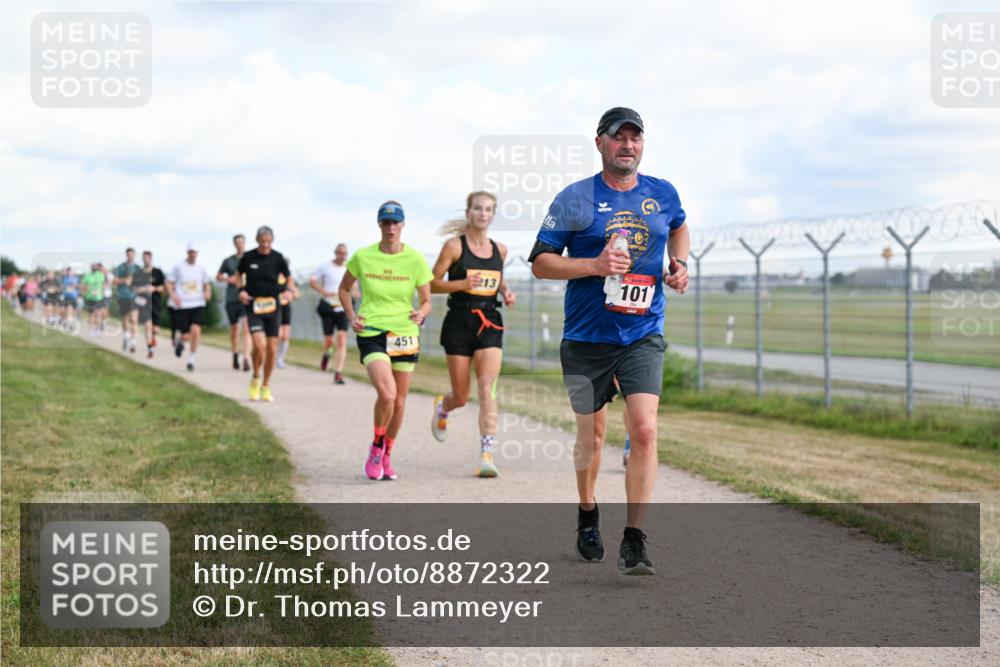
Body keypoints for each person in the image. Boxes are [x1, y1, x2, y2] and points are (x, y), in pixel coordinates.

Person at [529, 107, 689, 575]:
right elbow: (540, 263)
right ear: (599, 143)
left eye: (635, 138)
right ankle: (586, 512)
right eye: (618, 138)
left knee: (644, 430)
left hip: (642, 332)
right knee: (593, 437)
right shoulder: (575, 199)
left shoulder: (662, 194)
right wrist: (594, 266)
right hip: (586, 337)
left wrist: (679, 265)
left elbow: (678, 225)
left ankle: (635, 538)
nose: (628, 145)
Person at [339, 201, 432, 481]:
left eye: (395, 222)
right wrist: (352, 314)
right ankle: (376, 446)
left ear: (403, 225)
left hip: (404, 333)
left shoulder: (415, 259)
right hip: (373, 331)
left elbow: (427, 299)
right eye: (386, 222)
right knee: (388, 394)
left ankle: (388, 453)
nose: (391, 227)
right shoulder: (363, 257)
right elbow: (344, 290)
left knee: (400, 402)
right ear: (379, 224)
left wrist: (422, 312)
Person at [429, 192, 516, 478]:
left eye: (488, 209)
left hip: (489, 320)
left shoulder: (499, 249)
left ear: (493, 215)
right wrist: (463, 283)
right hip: (458, 322)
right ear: (468, 213)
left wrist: (505, 291)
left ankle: (487, 454)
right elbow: (432, 284)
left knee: (487, 388)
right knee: (463, 396)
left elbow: (497, 276)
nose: (483, 213)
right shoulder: (453, 247)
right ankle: (444, 407)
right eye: (478, 208)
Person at [238, 226, 294, 402]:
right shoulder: (248, 257)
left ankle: (266, 385)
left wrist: (289, 291)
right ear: (257, 240)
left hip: (273, 306)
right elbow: (239, 275)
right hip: (253, 304)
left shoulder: (278, 258)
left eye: (268, 242)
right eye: (262, 241)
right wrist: (241, 290)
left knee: (271, 348)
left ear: (272, 241)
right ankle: (255, 377)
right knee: (260, 345)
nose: (265, 245)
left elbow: (289, 277)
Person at [309, 243, 352, 384]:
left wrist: (354, 293)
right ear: (335, 253)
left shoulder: (350, 268)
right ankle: (327, 354)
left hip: (343, 307)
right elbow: (312, 281)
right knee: (329, 340)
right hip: (328, 305)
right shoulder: (325, 267)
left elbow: (355, 286)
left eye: (344, 254)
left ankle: (338, 372)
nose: (342, 256)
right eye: (340, 253)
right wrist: (323, 292)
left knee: (342, 338)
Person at [166, 243, 212, 372]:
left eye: (195, 252)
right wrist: (173, 295)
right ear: (187, 252)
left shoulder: (201, 268)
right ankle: (180, 341)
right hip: (183, 304)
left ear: (197, 253)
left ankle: (191, 359)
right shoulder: (178, 267)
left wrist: (208, 292)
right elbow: (169, 283)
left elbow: (206, 284)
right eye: (190, 252)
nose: (193, 254)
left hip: (197, 303)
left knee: (196, 330)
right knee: (186, 335)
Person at [217, 234, 253, 372]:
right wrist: (229, 279)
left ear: (245, 243)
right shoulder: (229, 261)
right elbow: (219, 276)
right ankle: (234, 353)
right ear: (234, 244)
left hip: (247, 297)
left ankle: (246, 358)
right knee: (234, 330)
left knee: (246, 328)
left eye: (242, 242)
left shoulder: (250, 259)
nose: (240, 245)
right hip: (232, 298)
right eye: (237, 242)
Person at [132, 251, 159, 358]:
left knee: (148, 327)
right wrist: (143, 289)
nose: (145, 260)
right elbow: (133, 288)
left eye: (147, 258)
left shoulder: (156, 272)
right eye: (144, 258)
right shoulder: (138, 273)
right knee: (134, 319)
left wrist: (154, 288)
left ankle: (150, 348)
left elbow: (162, 287)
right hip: (137, 301)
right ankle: (133, 343)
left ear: (151, 258)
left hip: (148, 303)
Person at [114, 248, 141, 353]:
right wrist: (125, 280)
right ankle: (126, 336)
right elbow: (115, 281)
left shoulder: (137, 268)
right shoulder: (121, 267)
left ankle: (133, 342)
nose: (130, 256)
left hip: (134, 296)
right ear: (126, 255)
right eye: (129, 254)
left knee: (134, 319)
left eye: (132, 254)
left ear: (134, 255)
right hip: (123, 296)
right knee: (125, 319)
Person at [275, 257, 298, 369]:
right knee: (278, 335)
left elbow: (297, 294)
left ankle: (280, 359)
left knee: (285, 336)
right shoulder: (272, 276)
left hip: (286, 308)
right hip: (274, 307)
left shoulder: (290, 279)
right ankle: (272, 357)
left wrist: (292, 295)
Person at [81, 263, 107, 336]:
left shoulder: (100, 275)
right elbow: (83, 285)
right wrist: (84, 294)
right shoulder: (87, 276)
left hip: (99, 298)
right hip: (90, 298)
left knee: (98, 314)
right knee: (91, 315)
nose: (94, 268)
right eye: (93, 267)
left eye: (95, 267)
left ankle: (97, 329)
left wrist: (102, 293)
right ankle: (92, 330)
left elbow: (103, 285)